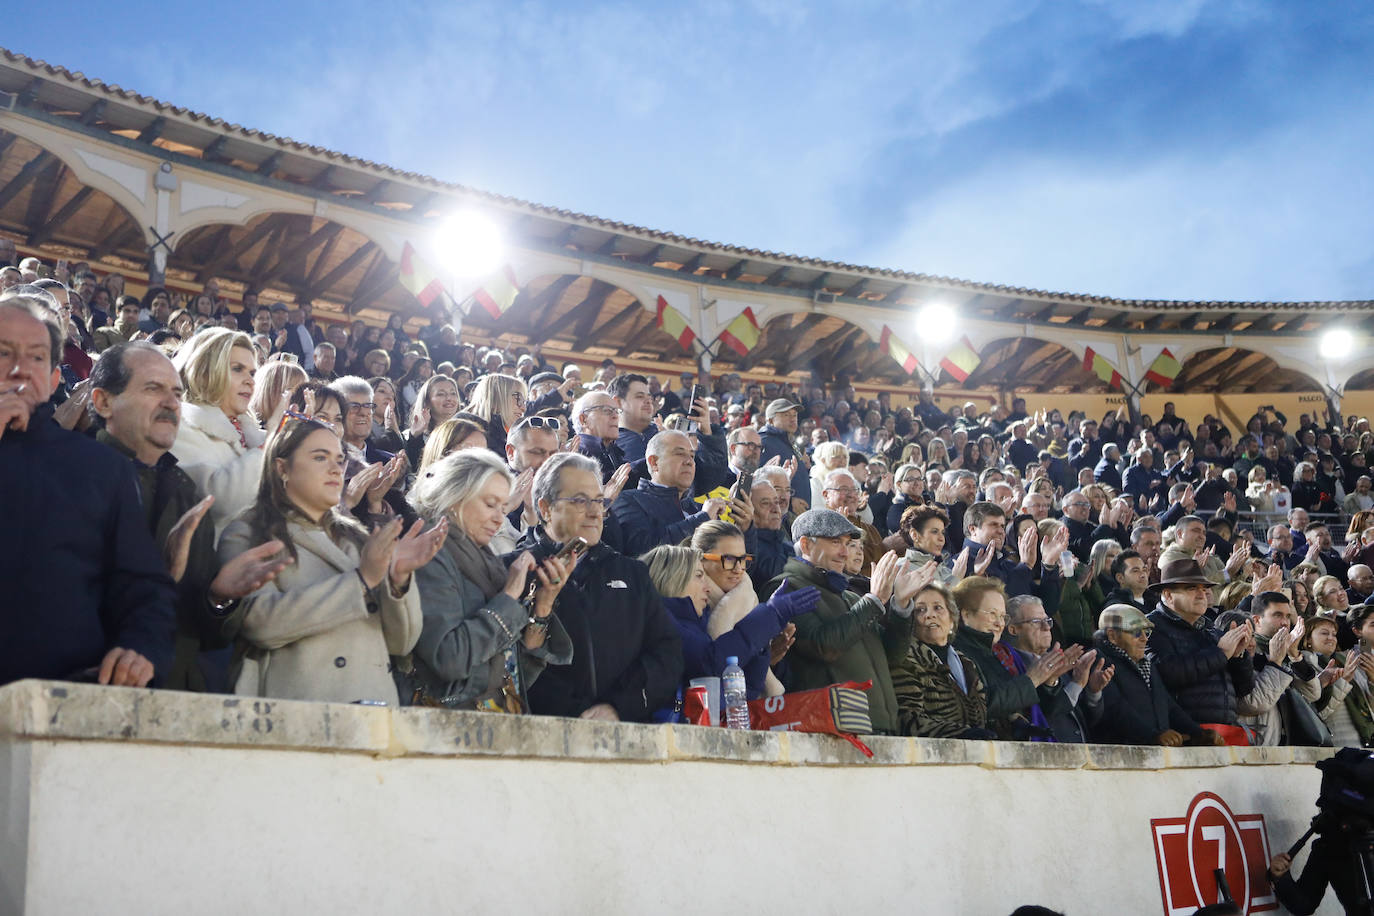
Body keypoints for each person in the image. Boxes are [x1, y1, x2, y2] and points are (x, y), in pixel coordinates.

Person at [89, 342, 291, 691]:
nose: (170, 402)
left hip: (183, 690)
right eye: (153, 388)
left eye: (176, 393)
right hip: (95, 690)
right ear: (104, 402)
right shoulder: (77, 479)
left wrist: (219, 597)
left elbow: (202, 629)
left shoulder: (184, 491)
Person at [0, 294, 175, 688]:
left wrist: (140, 648)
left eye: (36, 357)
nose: (18, 370)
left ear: (53, 378)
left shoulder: (101, 468)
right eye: (3, 352)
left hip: (65, 707)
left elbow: (144, 589)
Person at [220, 419, 445, 703]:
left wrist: (398, 581)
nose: (335, 469)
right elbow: (258, 624)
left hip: (372, 713)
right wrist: (361, 581)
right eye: (319, 457)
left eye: (340, 460)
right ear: (281, 468)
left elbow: (402, 644)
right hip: (295, 712)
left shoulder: (358, 536)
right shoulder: (249, 532)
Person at [401, 449, 573, 709]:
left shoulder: (485, 560)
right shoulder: (430, 555)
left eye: (503, 507)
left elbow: (516, 673)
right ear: (455, 497)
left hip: (496, 721)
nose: (499, 517)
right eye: (490, 504)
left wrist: (543, 605)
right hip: (446, 731)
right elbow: (450, 659)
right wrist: (509, 596)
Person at [516, 452, 682, 721]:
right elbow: (514, 665)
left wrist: (618, 707)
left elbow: (667, 653)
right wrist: (576, 715)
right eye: (581, 501)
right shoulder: (515, 572)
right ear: (545, 508)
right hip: (543, 737)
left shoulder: (633, 573)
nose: (595, 512)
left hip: (624, 733)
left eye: (599, 500)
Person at [762, 509, 929, 735]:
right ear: (806, 544)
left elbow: (893, 656)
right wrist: (874, 599)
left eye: (847, 543)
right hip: (831, 730)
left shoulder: (850, 597)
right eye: (835, 542)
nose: (844, 552)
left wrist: (900, 606)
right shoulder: (785, 588)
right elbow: (823, 645)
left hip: (879, 727)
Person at [642, 544, 815, 704]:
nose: (707, 588)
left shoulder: (695, 627)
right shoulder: (661, 620)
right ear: (672, 577)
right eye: (699, 576)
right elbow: (710, 664)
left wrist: (761, 644)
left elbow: (745, 694)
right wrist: (771, 614)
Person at [171, 328, 280, 537]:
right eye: (237, 369)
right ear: (204, 372)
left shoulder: (253, 434)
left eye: (252, 372)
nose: (250, 380)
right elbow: (216, 502)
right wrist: (268, 445)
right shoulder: (180, 424)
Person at [950, 576, 1078, 740]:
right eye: (992, 614)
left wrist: (1048, 681)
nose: (999, 623)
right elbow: (980, 707)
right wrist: (1031, 680)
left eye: (1003, 616)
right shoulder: (957, 653)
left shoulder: (998, 654)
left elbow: (1042, 712)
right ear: (966, 615)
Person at [1146, 558, 1256, 738]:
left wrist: (1238, 655)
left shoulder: (1210, 629)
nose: (1201, 594)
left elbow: (1243, 688)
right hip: (1182, 735)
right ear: (1168, 595)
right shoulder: (1151, 626)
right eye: (1191, 588)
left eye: (1204, 589)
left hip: (1221, 732)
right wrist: (1221, 654)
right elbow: (1165, 674)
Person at [1092, 604, 1219, 746]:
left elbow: (1168, 705)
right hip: (1120, 756)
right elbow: (1115, 709)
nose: (1144, 639)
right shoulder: (1099, 661)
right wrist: (1152, 736)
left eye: (1146, 632)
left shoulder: (1146, 664)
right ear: (1112, 636)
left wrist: (1198, 733)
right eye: (1135, 632)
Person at [614, 429, 751, 557]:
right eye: (679, 454)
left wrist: (743, 530)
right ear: (654, 462)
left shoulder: (698, 508)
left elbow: (731, 565)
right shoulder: (628, 500)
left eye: (692, 455)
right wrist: (702, 520)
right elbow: (645, 552)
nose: (689, 461)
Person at [889, 579, 992, 738]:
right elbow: (907, 720)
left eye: (938, 608)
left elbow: (985, 713)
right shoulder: (906, 658)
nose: (930, 615)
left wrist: (1014, 724)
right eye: (920, 610)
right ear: (911, 621)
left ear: (952, 620)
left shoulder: (966, 662)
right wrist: (962, 734)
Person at [403, 374, 462, 467]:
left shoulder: (467, 432)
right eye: (441, 394)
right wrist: (415, 437)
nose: (449, 398)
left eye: (453, 393)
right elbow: (415, 470)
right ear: (427, 402)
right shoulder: (411, 436)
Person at [464, 372, 527, 458]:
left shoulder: (505, 433)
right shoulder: (465, 428)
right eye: (518, 399)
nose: (523, 408)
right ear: (496, 397)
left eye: (524, 402)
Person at [571, 390, 626, 482]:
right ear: (584, 419)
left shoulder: (614, 452)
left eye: (617, 411)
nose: (615, 416)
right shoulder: (576, 455)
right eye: (607, 410)